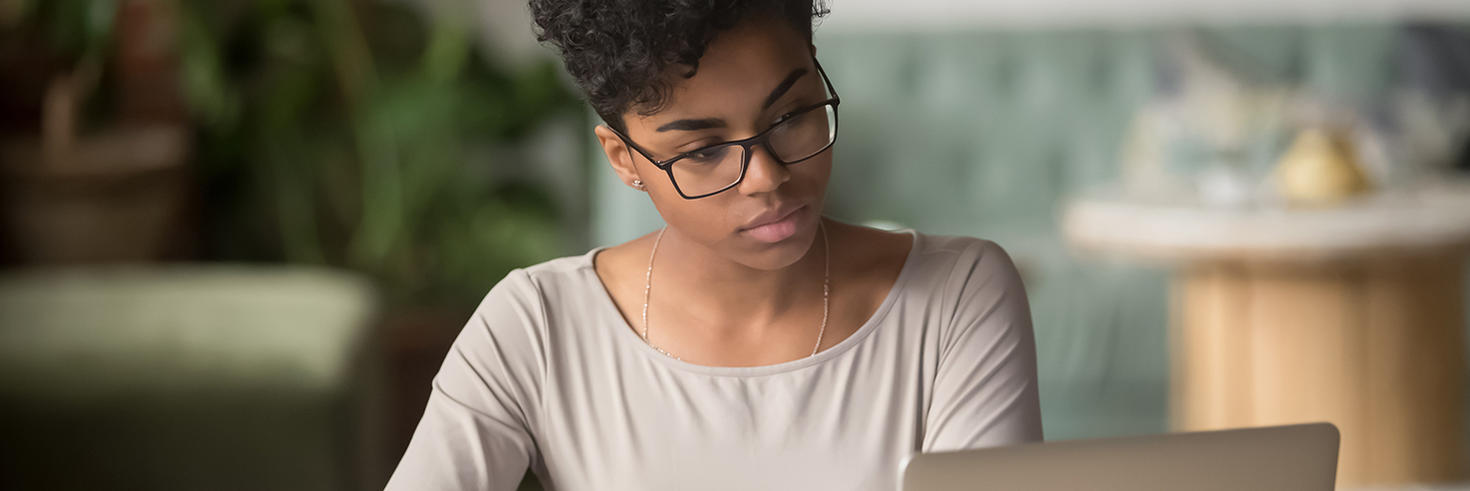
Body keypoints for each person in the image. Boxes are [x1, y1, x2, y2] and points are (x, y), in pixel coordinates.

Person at [385, 1, 1042, 489]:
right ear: (624, 159)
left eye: (791, 116)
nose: (767, 178)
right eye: (703, 150)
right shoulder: (537, 326)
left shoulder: (957, 296)